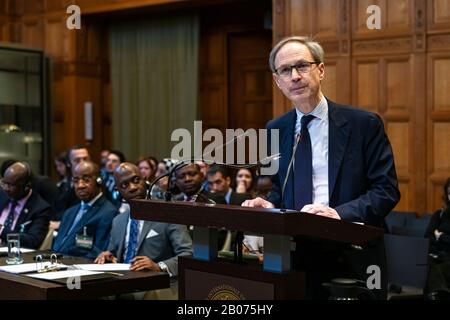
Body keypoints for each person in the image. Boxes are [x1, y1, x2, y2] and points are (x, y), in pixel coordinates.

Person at [243, 36, 400, 299]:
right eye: (285, 70)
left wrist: (337, 214)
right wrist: (270, 206)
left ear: (321, 70)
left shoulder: (363, 124)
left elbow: (386, 191)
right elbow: (279, 190)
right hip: (295, 254)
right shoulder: (275, 130)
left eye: (302, 66)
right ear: (277, 81)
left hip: (352, 254)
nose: (294, 76)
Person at [95, 162, 193, 299]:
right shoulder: (118, 221)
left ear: (145, 181)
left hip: (153, 286)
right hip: (120, 282)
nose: (133, 188)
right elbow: (112, 253)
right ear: (118, 192)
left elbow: (188, 254)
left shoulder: (168, 214)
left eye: (136, 180)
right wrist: (107, 255)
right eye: (124, 185)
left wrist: (159, 266)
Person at [52, 161, 116, 258]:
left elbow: (98, 252)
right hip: (55, 262)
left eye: (86, 180)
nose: (80, 186)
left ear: (99, 181)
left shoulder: (109, 213)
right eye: (76, 180)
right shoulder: (69, 212)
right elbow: (58, 246)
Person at [0, 162, 51, 248]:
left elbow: (33, 241)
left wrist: (1, 230)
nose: (5, 188)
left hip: (13, 256)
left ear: (27, 186)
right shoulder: (1, 195)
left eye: (11, 185)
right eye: (4, 183)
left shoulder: (41, 209)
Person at [425, 177, 450, 299]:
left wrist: (441, 237)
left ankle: (438, 295)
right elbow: (427, 238)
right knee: (429, 263)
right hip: (436, 256)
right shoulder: (439, 215)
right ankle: (439, 294)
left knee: (438, 267)